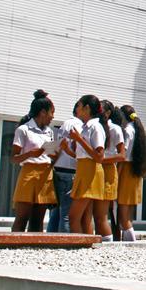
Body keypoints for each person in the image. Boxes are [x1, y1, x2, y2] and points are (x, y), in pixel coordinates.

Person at [10, 89, 58, 232]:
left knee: (38, 220)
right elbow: (13, 158)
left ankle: (35, 244)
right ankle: (13, 243)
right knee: (22, 218)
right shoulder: (23, 130)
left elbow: (51, 154)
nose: (52, 117)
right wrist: (31, 154)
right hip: (29, 173)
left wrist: (55, 153)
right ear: (43, 112)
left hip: (46, 174)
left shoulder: (49, 131)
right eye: (51, 112)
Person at [66, 95, 108, 235]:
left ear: (87, 108)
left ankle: (78, 244)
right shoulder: (85, 127)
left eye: (79, 105)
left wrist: (79, 139)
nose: (76, 109)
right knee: (85, 218)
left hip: (90, 172)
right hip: (83, 170)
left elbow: (99, 156)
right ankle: (87, 244)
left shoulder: (95, 127)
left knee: (73, 217)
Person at [47, 99, 84, 233]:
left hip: (58, 169)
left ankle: (50, 238)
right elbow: (77, 150)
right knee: (66, 215)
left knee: (55, 213)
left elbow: (55, 148)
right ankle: (64, 241)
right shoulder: (79, 125)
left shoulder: (64, 124)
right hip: (71, 171)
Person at [117, 104, 146, 242]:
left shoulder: (127, 131)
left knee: (123, 215)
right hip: (135, 170)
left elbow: (123, 155)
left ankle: (131, 242)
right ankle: (129, 240)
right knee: (128, 213)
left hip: (126, 169)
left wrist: (116, 174)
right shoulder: (137, 129)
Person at [98, 100, 125, 243]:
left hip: (107, 169)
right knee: (94, 214)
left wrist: (102, 160)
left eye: (100, 109)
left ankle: (108, 244)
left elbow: (122, 155)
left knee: (102, 215)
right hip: (95, 169)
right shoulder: (95, 126)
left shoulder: (115, 129)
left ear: (108, 113)